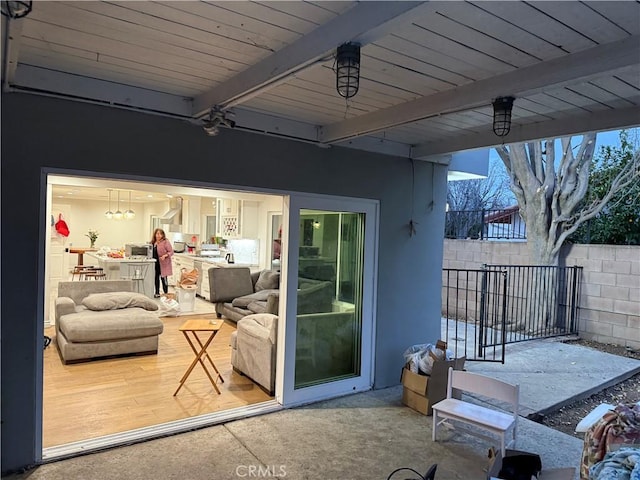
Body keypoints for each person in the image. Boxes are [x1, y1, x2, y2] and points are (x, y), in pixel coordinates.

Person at [151, 228, 173, 297]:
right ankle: (157, 292)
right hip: (155, 263)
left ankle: (166, 293)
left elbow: (171, 252)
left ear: (163, 235)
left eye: (160, 234)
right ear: (155, 234)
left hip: (163, 264)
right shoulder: (153, 242)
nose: (159, 235)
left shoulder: (165, 242)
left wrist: (165, 256)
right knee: (156, 278)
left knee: (164, 279)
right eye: (157, 234)